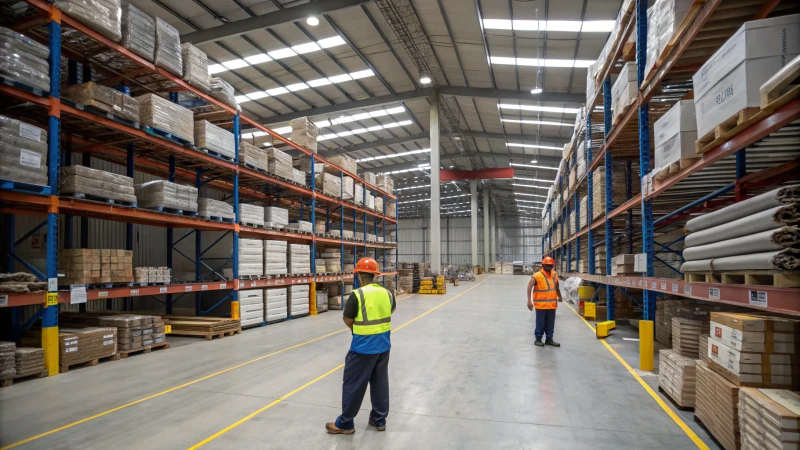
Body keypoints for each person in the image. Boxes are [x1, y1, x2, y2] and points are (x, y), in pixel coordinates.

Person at [326, 257, 397, 435]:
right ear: (375, 275)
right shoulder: (387, 293)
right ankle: (379, 419)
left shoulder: (357, 295)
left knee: (353, 384)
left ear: (358, 275)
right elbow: (391, 310)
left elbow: (348, 319)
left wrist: (357, 328)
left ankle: (345, 424)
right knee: (380, 383)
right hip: (383, 345)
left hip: (363, 347)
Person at [526, 256, 563, 347]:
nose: (548, 267)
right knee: (540, 324)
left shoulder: (554, 275)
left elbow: (557, 287)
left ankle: (549, 339)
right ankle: (538, 339)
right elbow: (529, 286)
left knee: (550, 324)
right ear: (543, 265)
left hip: (551, 305)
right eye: (546, 265)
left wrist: (560, 296)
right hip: (541, 306)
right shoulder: (537, 276)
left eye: (550, 265)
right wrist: (529, 301)